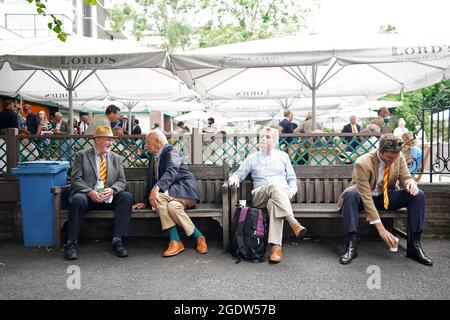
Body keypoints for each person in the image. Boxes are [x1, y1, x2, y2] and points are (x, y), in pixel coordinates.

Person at [337, 134, 432, 266]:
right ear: (380, 151)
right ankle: (351, 245)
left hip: (385, 197)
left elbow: (405, 177)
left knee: (418, 195)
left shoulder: (398, 157)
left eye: (395, 157)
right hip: (364, 199)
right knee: (349, 194)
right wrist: (381, 229)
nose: (392, 161)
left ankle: (414, 246)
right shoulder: (362, 163)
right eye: (388, 158)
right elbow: (366, 197)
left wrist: (411, 183)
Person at [228, 127, 307, 264]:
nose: (264, 139)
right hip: (260, 195)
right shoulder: (252, 158)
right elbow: (238, 174)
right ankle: (293, 222)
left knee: (273, 203)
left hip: (280, 196)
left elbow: (292, 179)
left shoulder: (283, 156)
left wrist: (291, 191)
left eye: (268, 137)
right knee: (275, 187)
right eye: (262, 136)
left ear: (275, 141)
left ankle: (276, 248)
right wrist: (233, 179)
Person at [132, 129, 208, 257]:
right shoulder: (153, 157)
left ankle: (176, 240)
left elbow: (171, 170)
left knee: (157, 198)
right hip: (170, 197)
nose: (146, 146)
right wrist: (145, 201)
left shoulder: (172, 151)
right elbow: (152, 181)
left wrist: (156, 189)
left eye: (148, 142)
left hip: (185, 191)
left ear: (158, 142)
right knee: (171, 206)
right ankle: (198, 237)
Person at [64, 126, 132, 260]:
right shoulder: (82, 155)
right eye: (108, 139)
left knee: (126, 197)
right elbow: (75, 179)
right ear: (98, 140)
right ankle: (71, 243)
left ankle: (117, 241)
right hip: (88, 198)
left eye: (111, 140)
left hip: (108, 198)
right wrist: (90, 192)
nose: (111, 143)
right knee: (77, 199)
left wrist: (112, 190)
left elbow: (122, 181)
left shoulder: (116, 158)